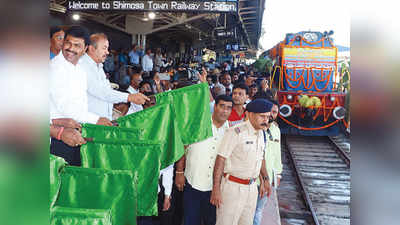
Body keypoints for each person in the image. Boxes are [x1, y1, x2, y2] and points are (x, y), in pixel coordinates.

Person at [49, 26, 112, 166]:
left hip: (76, 131)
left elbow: (81, 104)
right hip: (58, 136)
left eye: (77, 45)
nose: (70, 48)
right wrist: (96, 119)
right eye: (68, 43)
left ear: (85, 49)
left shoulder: (80, 70)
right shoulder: (55, 68)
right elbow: (66, 107)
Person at [210, 99, 273, 225]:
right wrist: (216, 188)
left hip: (252, 188)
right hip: (233, 187)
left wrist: (265, 179)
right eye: (262, 116)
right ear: (249, 114)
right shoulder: (236, 132)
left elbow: (260, 158)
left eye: (267, 117)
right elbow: (221, 159)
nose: (265, 120)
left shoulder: (261, 133)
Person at [175, 95, 233, 225]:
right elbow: (182, 147)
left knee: (211, 221)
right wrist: (179, 172)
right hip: (192, 182)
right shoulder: (198, 124)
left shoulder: (230, 131)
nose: (224, 111)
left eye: (228, 108)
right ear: (215, 107)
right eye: (222, 106)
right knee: (190, 220)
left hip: (215, 188)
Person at [79, 33, 149, 121]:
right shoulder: (83, 66)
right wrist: (129, 97)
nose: (107, 52)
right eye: (104, 48)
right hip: (90, 122)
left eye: (107, 48)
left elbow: (104, 89)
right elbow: (101, 92)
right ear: (92, 49)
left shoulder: (98, 65)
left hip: (101, 119)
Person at [252, 99, 282, 225]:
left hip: (268, 177)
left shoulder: (276, 130)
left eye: (275, 112)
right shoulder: (256, 129)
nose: (271, 115)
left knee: (258, 210)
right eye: (270, 112)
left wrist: (278, 174)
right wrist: (262, 178)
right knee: (248, 210)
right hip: (253, 178)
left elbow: (277, 153)